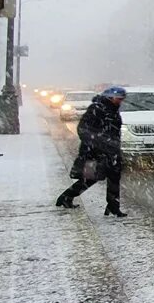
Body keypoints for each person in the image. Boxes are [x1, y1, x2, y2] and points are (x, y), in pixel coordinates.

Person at [55, 86, 128, 216]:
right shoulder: (96, 109)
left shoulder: (113, 110)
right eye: (119, 98)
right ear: (110, 97)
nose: (120, 101)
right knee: (89, 178)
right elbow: (83, 129)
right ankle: (66, 197)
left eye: (122, 99)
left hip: (111, 151)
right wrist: (97, 144)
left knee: (114, 178)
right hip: (94, 152)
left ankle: (113, 206)